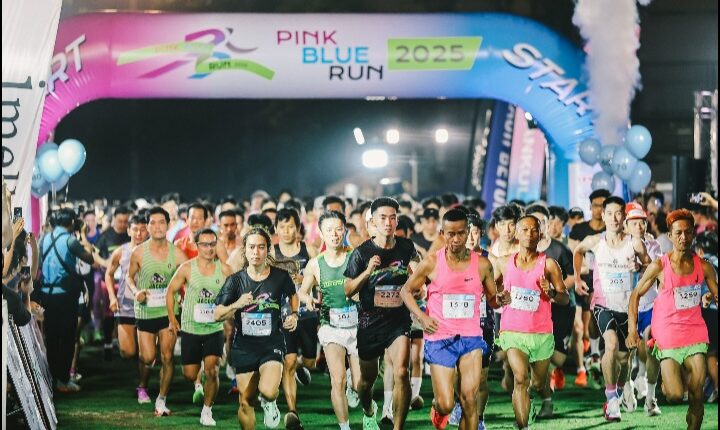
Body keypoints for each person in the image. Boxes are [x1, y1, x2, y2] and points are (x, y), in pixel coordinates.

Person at [401, 208, 510, 430]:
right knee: (446, 404)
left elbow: (492, 300)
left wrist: (501, 299)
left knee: (469, 400)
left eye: (461, 233)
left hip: (471, 339)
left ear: (468, 232)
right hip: (440, 338)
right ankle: (438, 409)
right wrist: (421, 317)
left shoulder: (482, 264)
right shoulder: (431, 262)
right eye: (451, 234)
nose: (456, 239)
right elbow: (406, 291)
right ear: (443, 233)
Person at [627, 209, 718, 430]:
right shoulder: (660, 265)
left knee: (697, 394)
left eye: (688, 232)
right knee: (676, 395)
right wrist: (631, 330)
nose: (683, 237)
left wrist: (709, 296)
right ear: (670, 236)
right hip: (667, 334)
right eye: (678, 233)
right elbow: (635, 295)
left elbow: (716, 294)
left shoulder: (704, 266)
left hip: (695, 332)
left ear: (693, 234)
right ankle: (667, 385)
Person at [344, 197, 420, 430]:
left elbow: (416, 269)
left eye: (392, 218)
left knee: (401, 372)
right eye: (383, 218)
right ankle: (369, 411)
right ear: (373, 222)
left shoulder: (406, 247)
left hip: (398, 321)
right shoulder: (361, 252)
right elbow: (348, 290)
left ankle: (398, 427)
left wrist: (417, 285)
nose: (388, 222)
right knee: (365, 382)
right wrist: (368, 271)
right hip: (370, 322)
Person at [213, 226, 300, 430]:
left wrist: (294, 315)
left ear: (268, 250)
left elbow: (293, 296)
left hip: (271, 344)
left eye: (261, 247)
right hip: (244, 347)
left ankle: (270, 402)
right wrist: (237, 304)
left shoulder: (280, 277)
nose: (256, 252)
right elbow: (217, 314)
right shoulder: (235, 281)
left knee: (268, 391)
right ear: (244, 250)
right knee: (246, 401)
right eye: (251, 247)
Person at [573, 196, 650, 421]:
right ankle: (612, 399)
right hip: (602, 304)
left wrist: (639, 266)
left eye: (619, 213)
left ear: (624, 216)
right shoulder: (595, 241)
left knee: (625, 359)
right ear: (603, 215)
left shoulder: (635, 243)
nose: (614, 218)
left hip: (628, 307)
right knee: (611, 344)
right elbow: (577, 251)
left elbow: (650, 266)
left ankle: (624, 386)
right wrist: (577, 279)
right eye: (610, 213)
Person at [493, 215, 569, 430]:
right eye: (525, 230)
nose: (529, 234)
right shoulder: (503, 262)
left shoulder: (549, 265)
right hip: (512, 331)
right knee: (520, 378)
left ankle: (537, 399)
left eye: (534, 230)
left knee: (537, 383)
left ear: (540, 234)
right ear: (517, 234)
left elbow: (564, 298)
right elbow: (492, 293)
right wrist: (499, 297)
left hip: (541, 333)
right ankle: (523, 426)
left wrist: (551, 293)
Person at [298, 210, 361, 430]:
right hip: (330, 326)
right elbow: (303, 291)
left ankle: (356, 386)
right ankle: (345, 427)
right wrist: (307, 299)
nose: (334, 234)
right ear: (321, 233)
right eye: (329, 230)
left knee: (361, 384)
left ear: (345, 231)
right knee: (337, 379)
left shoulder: (356, 256)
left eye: (338, 229)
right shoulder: (315, 264)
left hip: (358, 326)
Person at [126, 206, 188, 416]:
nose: (157, 226)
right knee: (147, 357)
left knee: (167, 356)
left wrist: (185, 295)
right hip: (145, 311)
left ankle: (161, 400)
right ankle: (142, 385)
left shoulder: (177, 253)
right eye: (153, 222)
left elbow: (189, 277)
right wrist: (136, 291)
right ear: (147, 226)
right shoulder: (138, 252)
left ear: (168, 225)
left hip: (168, 311)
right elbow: (129, 277)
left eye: (162, 222)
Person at [167, 228, 233, 426]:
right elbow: (170, 291)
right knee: (189, 374)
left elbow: (235, 295)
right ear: (197, 246)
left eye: (212, 244)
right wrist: (172, 319)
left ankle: (207, 411)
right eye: (204, 244)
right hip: (191, 329)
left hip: (214, 329)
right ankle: (200, 376)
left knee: (212, 371)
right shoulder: (187, 268)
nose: (209, 248)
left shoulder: (225, 270)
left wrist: (228, 313)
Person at [37, 208, 97, 392]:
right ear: (71, 222)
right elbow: (90, 258)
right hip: (66, 295)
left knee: (52, 337)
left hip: (47, 293)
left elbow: (38, 264)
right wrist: (83, 235)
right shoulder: (71, 240)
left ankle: (53, 379)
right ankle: (63, 379)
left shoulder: (43, 238)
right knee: (68, 337)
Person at [524, 205, 575, 417]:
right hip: (531, 313)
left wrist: (553, 291)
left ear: (546, 224)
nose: (536, 228)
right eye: (531, 223)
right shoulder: (521, 251)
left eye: (541, 223)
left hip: (559, 310)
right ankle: (538, 400)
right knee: (531, 359)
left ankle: (541, 386)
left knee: (557, 359)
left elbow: (572, 277)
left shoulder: (559, 250)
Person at [273, 208, 319, 429]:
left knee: (310, 362)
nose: (286, 231)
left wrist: (306, 279)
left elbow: (322, 277)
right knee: (288, 361)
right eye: (282, 227)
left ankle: (303, 365)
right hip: (283, 315)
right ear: (276, 229)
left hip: (307, 314)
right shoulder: (271, 253)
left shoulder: (308, 250)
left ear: (298, 228)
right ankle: (292, 412)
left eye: (290, 226)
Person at [105, 214, 151, 403]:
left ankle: (143, 387)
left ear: (147, 230)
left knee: (145, 354)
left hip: (148, 307)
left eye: (142, 229)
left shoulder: (153, 251)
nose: (139, 233)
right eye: (135, 229)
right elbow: (108, 274)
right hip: (125, 306)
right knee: (128, 352)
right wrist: (112, 297)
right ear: (129, 230)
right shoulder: (121, 252)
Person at [624, 202, 663, 416]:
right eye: (634, 223)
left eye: (642, 223)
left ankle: (650, 398)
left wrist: (642, 266)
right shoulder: (619, 245)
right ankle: (628, 387)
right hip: (624, 306)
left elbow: (658, 270)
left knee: (652, 346)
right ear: (626, 225)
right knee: (627, 352)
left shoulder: (654, 245)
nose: (639, 227)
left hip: (649, 304)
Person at [569, 189, 610, 386]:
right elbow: (574, 252)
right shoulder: (579, 230)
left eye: (603, 206)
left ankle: (598, 356)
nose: (599, 209)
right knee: (582, 329)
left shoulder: (613, 230)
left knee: (602, 323)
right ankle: (589, 358)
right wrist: (580, 274)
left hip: (608, 282)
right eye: (596, 205)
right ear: (590, 207)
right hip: (584, 282)